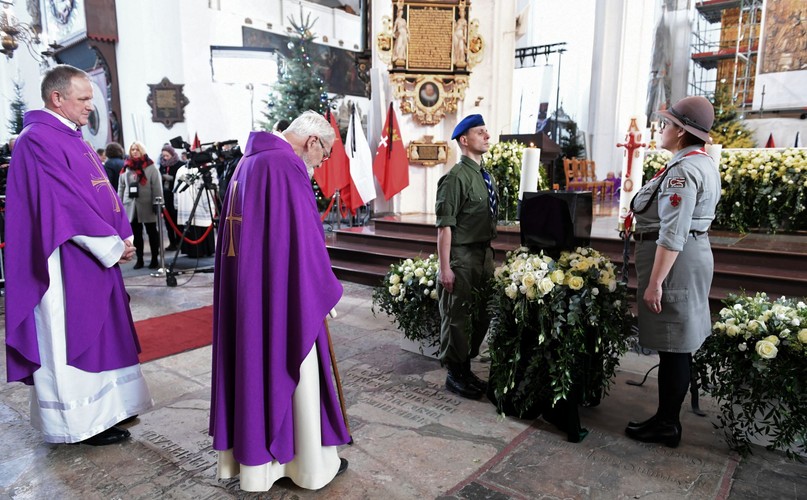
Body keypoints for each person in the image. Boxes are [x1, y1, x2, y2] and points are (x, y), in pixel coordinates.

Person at [4, 64, 152, 446]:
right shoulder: (37, 140)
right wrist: (112, 245)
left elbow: (100, 192)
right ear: (57, 98)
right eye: (83, 98)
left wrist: (124, 235)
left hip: (92, 251)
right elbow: (63, 204)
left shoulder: (72, 137)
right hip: (62, 258)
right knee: (70, 334)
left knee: (103, 330)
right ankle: (79, 421)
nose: (90, 107)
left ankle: (109, 409)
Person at [209, 110, 350, 492]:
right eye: (325, 154)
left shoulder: (248, 161)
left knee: (255, 365)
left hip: (251, 290)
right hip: (283, 294)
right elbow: (305, 240)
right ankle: (303, 464)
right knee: (295, 370)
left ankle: (260, 466)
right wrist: (321, 290)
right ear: (313, 141)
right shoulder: (286, 165)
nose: (322, 164)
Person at [625, 96, 721, 448]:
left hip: (675, 264)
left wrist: (655, 283)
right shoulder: (703, 162)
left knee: (675, 347)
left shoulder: (682, 171)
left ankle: (667, 424)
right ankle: (667, 419)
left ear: (681, 133)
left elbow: (673, 232)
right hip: (690, 256)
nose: (661, 129)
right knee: (677, 346)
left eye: (666, 124)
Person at [435, 114, 497, 399]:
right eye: (480, 132)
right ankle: (455, 373)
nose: (487, 136)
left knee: (481, 314)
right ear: (464, 140)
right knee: (457, 316)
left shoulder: (486, 176)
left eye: (486, 131)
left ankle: (465, 367)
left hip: (483, 255)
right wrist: (444, 268)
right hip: (461, 256)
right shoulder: (455, 178)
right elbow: (445, 227)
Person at [118, 141, 164, 269]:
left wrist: (158, 203)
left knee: (152, 233)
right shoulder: (126, 167)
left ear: (142, 151)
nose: (134, 152)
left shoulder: (150, 167)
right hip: (130, 206)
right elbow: (121, 188)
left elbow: (156, 187)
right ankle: (140, 259)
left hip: (148, 205)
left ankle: (155, 258)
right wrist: (119, 205)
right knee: (136, 236)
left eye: (137, 149)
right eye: (132, 149)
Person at [173, 158, 218, 257]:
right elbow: (177, 188)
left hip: (202, 203)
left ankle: (207, 250)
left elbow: (213, 184)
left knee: (202, 225)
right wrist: (176, 203)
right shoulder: (181, 170)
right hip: (187, 203)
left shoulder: (206, 168)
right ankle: (192, 251)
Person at [158, 143, 185, 251]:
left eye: (167, 156)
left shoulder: (179, 165)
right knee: (168, 222)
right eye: (163, 156)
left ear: (172, 154)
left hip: (176, 195)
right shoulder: (163, 165)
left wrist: (172, 178)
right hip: (166, 196)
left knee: (177, 220)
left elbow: (181, 180)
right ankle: (172, 242)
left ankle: (180, 242)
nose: (165, 158)